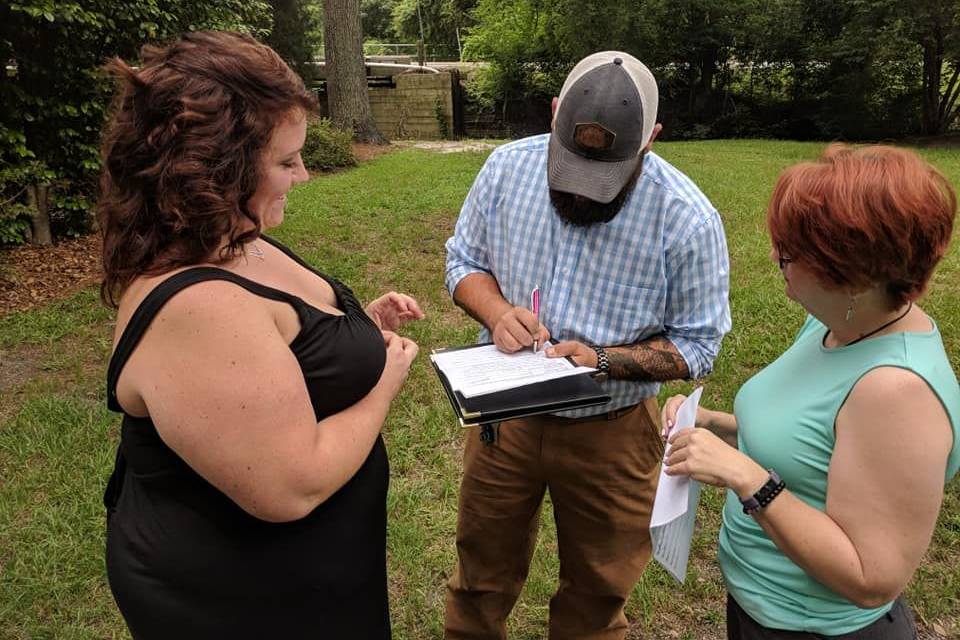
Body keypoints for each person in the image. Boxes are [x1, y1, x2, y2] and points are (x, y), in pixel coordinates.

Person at [98, 31, 423, 638]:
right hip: (240, 596)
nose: (303, 175)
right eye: (285, 160)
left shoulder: (232, 238)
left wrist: (354, 328)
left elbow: (284, 342)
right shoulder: (196, 307)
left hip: (313, 572)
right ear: (215, 168)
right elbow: (291, 485)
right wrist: (384, 376)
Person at [443, 51, 731, 639]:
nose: (583, 193)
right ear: (553, 115)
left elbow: (699, 343)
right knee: (480, 579)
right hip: (506, 424)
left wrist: (604, 360)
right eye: (571, 165)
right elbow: (464, 260)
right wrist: (497, 312)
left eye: (605, 173)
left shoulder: (687, 219)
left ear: (651, 138)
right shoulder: (504, 170)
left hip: (614, 431)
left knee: (596, 599)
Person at [662, 144, 960, 639]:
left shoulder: (898, 391)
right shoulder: (839, 323)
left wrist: (745, 476)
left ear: (852, 277)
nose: (776, 257)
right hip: (760, 607)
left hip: (814, 629)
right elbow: (816, 442)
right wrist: (717, 426)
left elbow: (871, 578)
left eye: (791, 253)